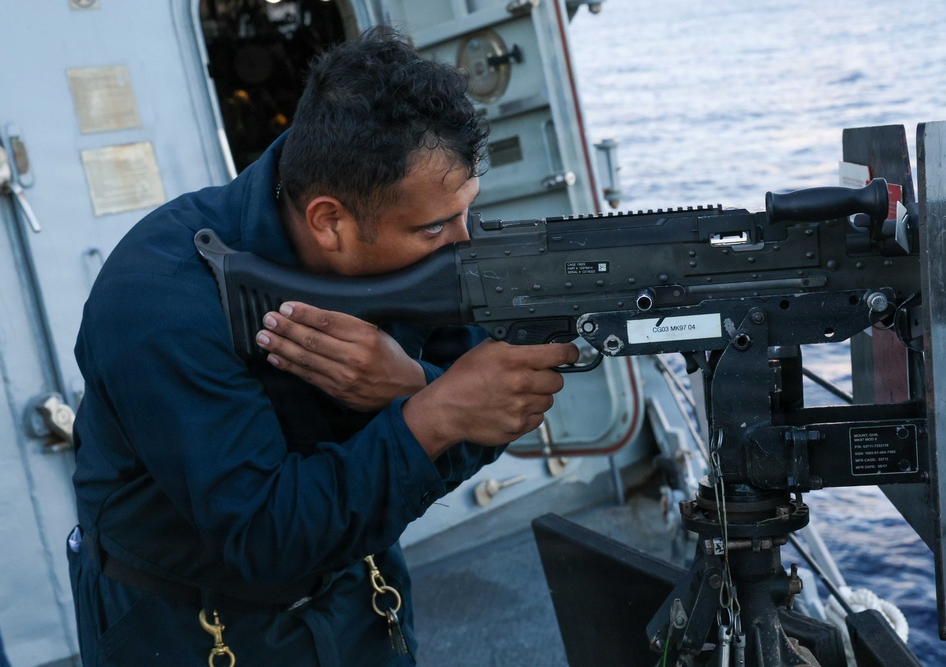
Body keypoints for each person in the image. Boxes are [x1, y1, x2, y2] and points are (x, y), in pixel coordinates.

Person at [68, 27, 577, 666]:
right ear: (329, 221)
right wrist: (432, 414)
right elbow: (264, 536)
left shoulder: (409, 211)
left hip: (359, 597)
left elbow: (487, 403)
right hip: (190, 629)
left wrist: (413, 387)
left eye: (466, 211)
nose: (464, 242)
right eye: (435, 228)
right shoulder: (158, 302)